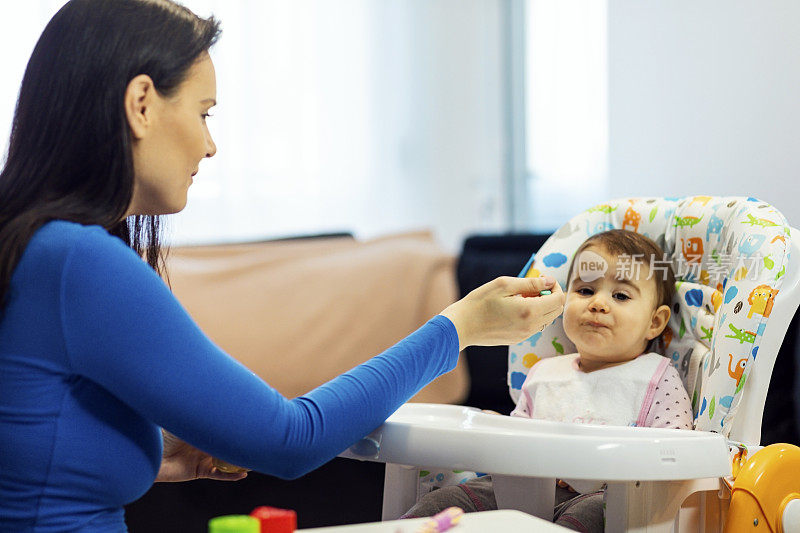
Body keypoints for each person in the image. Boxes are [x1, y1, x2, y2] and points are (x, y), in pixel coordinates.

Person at [0, 1, 566, 531]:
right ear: (141, 103)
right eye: (204, 113)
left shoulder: (35, 248)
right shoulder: (82, 263)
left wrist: (159, 457)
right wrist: (459, 327)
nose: (210, 145)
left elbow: (34, 455)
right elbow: (293, 438)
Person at [402, 229, 693, 532]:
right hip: (519, 493)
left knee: (593, 515)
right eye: (585, 291)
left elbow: (676, 457)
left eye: (620, 295)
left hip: (602, 496)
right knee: (446, 502)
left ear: (655, 322)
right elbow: (517, 448)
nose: (598, 303)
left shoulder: (656, 379)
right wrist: (498, 430)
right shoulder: (545, 374)